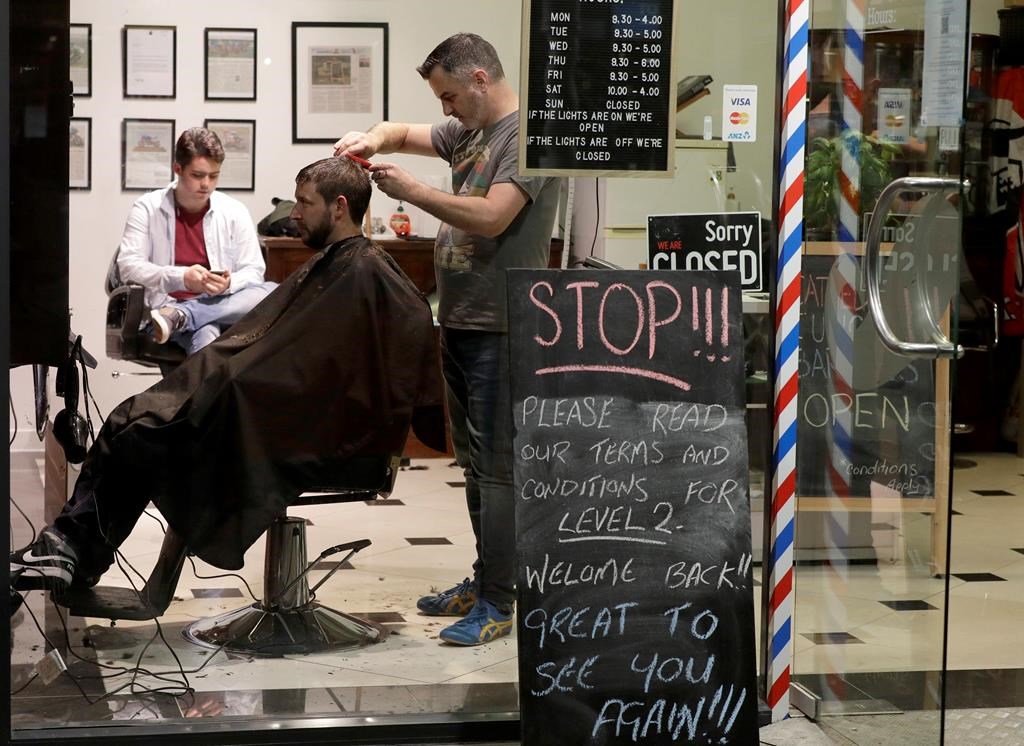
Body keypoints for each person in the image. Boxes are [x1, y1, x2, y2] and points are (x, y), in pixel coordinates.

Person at [11, 156, 443, 594]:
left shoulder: (366, 270)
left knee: (141, 435)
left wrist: (229, 386)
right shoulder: (341, 264)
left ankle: (73, 551)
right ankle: (72, 552)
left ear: (339, 206)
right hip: (288, 415)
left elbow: (370, 348)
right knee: (131, 420)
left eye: (303, 202)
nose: (293, 214)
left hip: (314, 436)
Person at [334, 33, 561, 646]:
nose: (447, 111)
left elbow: (492, 216)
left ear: (482, 79)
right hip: (461, 321)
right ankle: (487, 577)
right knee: (473, 466)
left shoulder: (529, 138)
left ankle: (499, 601)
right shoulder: (470, 129)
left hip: (504, 326)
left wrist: (411, 192)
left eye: (452, 96)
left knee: (498, 473)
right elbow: (397, 130)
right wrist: (370, 140)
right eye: (441, 99)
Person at [116, 127, 276, 355]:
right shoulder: (147, 208)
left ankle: (183, 315)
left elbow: (254, 271)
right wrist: (182, 278)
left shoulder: (234, 210)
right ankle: (179, 314)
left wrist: (228, 284)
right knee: (207, 333)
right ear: (177, 169)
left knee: (271, 291)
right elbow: (128, 267)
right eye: (198, 175)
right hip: (166, 305)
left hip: (221, 304)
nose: (206, 184)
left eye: (214, 176)